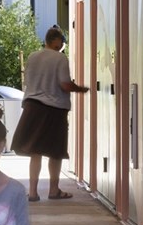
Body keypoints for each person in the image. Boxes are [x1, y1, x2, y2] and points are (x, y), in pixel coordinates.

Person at [12, 25, 87, 200]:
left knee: (35, 152)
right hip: (53, 109)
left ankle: (32, 192)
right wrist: (81, 89)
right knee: (55, 151)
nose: (63, 44)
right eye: (62, 41)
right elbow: (65, 85)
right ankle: (54, 190)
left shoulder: (32, 56)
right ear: (57, 41)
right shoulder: (60, 58)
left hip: (32, 107)